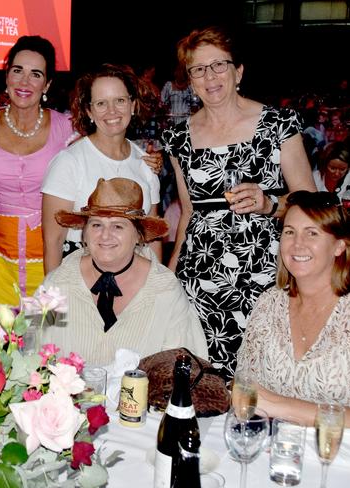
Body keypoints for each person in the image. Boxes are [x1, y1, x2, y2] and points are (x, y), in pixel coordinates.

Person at [162, 26, 316, 381]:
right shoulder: (177, 138)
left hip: (263, 269)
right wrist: (171, 276)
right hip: (200, 274)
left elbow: (310, 201)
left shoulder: (277, 124)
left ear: (238, 71)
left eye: (219, 65)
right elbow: (188, 212)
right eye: (198, 69)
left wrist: (269, 204)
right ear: (189, 80)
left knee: (263, 373)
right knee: (203, 377)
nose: (210, 76)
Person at [41, 178, 208, 366]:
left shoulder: (166, 290)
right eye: (96, 225)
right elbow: (30, 352)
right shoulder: (54, 284)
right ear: (84, 233)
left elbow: (185, 367)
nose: (105, 235)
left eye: (118, 226)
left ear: (138, 235)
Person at [0, 35, 77, 305]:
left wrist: (143, 159)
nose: (24, 82)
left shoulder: (67, 128)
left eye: (35, 74)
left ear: (47, 84)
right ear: (7, 76)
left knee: (47, 338)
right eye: (18, 70)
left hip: (52, 255)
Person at [236, 191, 350, 427]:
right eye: (289, 232)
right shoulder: (270, 304)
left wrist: (282, 407)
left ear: (339, 246)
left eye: (312, 233)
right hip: (271, 448)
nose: (297, 244)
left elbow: (264, 402)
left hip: (341, 456)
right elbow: (244, 389)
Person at [42, 63, 162, 274]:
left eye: (120, 100)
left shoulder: (146, 163)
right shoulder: (69, 162)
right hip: (80, 278)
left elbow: (152, 239)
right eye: (101, 103)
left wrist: (158, 288)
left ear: (133, 105)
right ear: (89, 111)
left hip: (135, 280)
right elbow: (53, 242)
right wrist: (54, 305)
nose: (112, 111)